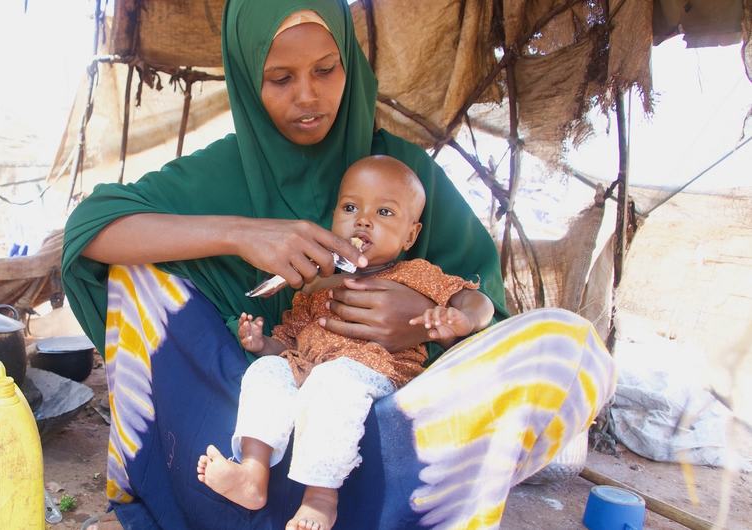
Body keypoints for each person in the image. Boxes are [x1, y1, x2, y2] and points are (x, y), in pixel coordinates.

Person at [63, 0, 616, 528]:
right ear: (247, 78)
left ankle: (382, 501)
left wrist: (424, 319)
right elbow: (91, 230)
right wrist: (242, 235)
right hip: (246, 415)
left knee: (569, 344)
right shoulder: (221, 175)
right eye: (281, 79)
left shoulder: (404, 174)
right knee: (135, 276)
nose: (308, 96)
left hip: (393, 431)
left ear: (349, 63)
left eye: (326, 70)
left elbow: (486, 309)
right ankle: (249, 487)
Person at [196, 155, 494, 530]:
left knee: (330, 382)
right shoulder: (317, 284)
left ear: (410, 235)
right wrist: (261, 345)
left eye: (384, 212)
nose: (363, 220)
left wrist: (463, 318)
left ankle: (321, 498)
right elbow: (291, 347)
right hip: (308, 368)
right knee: (268, 372)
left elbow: (476, 300)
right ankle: (252, 474)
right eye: (351, 207)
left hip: (372, 372)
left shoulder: (415, 275)